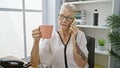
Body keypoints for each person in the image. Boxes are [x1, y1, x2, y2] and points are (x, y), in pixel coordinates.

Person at [31, 3, 88, 68]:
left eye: (68, 18)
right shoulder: (51, 36)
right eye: (61, 16)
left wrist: (74, 40)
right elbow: (35, 63)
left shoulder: (80, 35)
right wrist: (36, 41)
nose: (64, 20)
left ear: (73, 20)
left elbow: (82, 64)